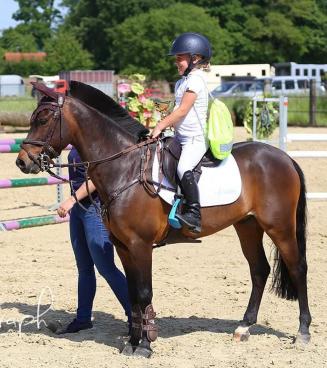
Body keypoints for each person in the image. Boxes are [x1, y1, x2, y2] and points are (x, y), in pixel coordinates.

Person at [56, 146, 131, 334]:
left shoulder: (92, 140)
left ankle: (135, 315)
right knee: (84, 268)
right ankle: (83, 319)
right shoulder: (75, 142)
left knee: (106, 267)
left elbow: (96, 179)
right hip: (79, 212)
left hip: (94, 209)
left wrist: (71, 200)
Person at [151, 32, 212, 233]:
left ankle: (194, 214)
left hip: (196, 139)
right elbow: (175, 113)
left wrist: (160, 126)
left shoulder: (196, 79)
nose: (177, 63)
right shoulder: (181, 82)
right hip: (180, 137)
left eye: (180, 58)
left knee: (183, 167)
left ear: (195, 59)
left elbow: (183, 111)